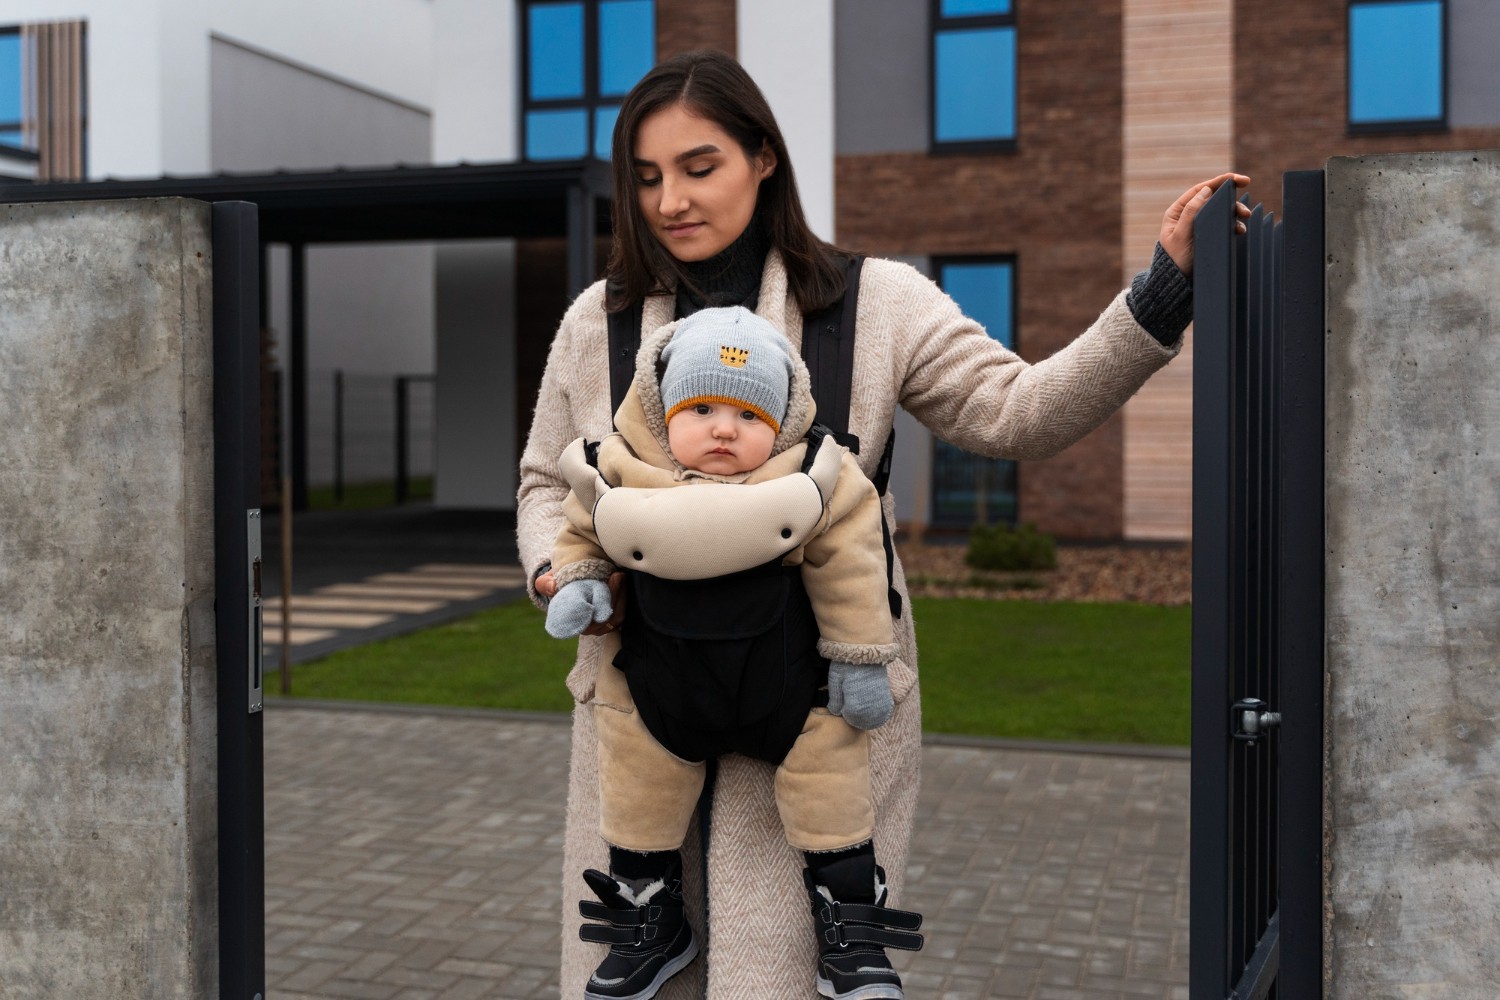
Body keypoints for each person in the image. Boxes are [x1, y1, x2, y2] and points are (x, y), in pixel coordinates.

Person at [517, 48, 1249, 1000]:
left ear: (763, 158)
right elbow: (543, 481)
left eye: (699, 167)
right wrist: (555, 572)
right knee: (627, 973)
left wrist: (1161, 294)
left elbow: (1019, 413)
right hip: (640, 704)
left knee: (770, 982)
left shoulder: (875, 302)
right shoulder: (597, 322)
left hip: (820, 705)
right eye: (647, 177)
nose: (670, 202)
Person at [543, 304, 920, 1000]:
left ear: (782, 421)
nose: (725, 427)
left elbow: (853, 567)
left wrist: (860, 656)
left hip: (787, 686)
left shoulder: (818, 477)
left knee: (831, 776)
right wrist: (581, 582)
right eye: (704, 407)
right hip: (661, 686)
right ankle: (651, 915)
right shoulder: (618, 467)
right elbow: (579, 528)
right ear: (661, 411)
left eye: (750, 416)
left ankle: (851, 927)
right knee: (636, 780)